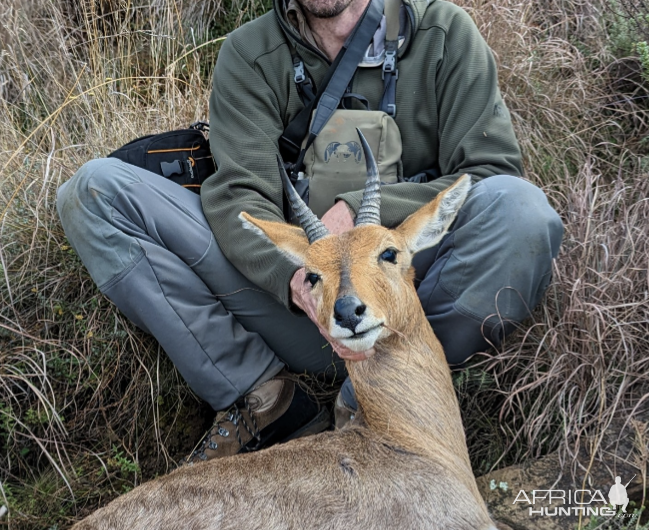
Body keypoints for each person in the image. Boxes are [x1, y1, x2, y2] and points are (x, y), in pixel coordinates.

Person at [56, 0, 563, 462]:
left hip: (411, 302)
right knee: (96, 191)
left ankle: (375, 394)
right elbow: (239, 196)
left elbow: (491, 168)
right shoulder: (250, 53)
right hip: (304, 308)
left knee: (521, 211)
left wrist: (362, 212)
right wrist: (294, 277)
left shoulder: (443, 32)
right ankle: (263, 399)